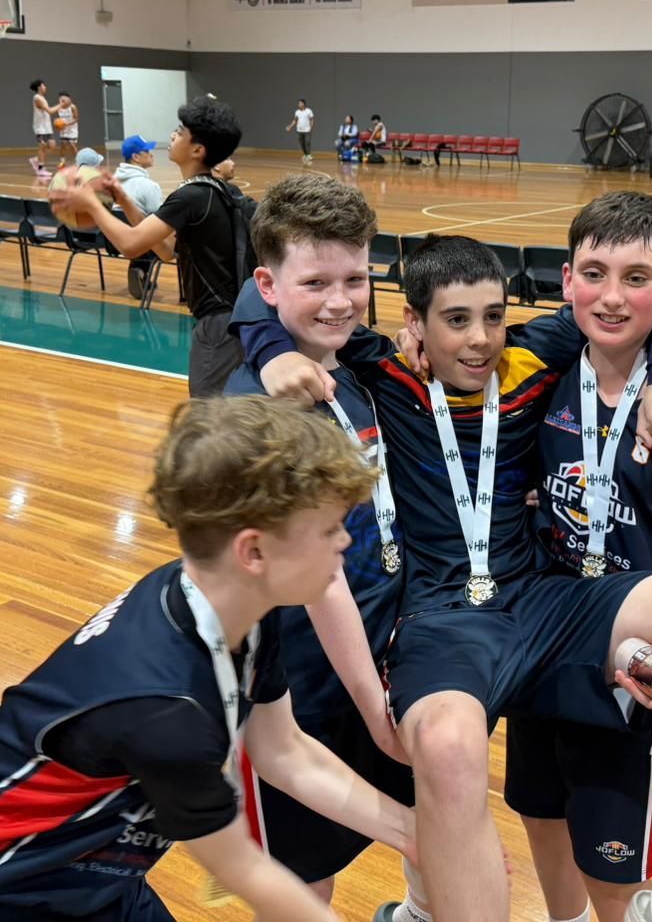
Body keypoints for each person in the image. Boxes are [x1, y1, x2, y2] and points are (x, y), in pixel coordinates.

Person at [235, 234, 652, 922]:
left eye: (493, 317)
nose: (480, 341)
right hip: (441, 619)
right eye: (455, 320)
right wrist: (270, 350)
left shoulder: (532, 353)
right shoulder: (382, 372)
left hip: (539, 599)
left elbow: (643, 303)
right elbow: (261, 303)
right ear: (413, 325)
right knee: (446, 748)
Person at [0, 395, 420, 922]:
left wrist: (411, 829)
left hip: (89, 886)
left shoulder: (241, 607)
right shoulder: (165, 708)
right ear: (253, 551)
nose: (345, 543)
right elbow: (244, 870)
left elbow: (285, 750)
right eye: (328, 530)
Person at [505, 191, 652, 922]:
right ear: (567, 279)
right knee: (540, 815)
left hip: (633, 655)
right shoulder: (540, 370)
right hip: (544, 632)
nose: (612, 297)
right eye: (594, 273)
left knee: (613, 866)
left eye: (636, 277)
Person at [224, 175, 414, 912]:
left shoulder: (363, 367)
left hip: (384, 651)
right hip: (301, 681)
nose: (339, 300)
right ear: (267, 286)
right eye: (316, 283)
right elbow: (322, 581)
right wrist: (371, 702)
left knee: (416, 819)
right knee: (305, 868)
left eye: (355, 279)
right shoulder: (257, 413)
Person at [52, 96, 254, 397]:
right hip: (233, 318)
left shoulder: (192, 196)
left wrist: (93, 206)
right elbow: (166, 250)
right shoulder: (215, 190)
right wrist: (122, 200)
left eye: (180, 132)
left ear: (197, 150)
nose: (172, 136)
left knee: (208, 416)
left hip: (220, 323)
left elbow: (131, 246)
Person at [114, 136, 164, 301]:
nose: (152, 154)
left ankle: (140, 272)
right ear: (136, 157)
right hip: (142, 243)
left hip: (113, 241)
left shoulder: (112, 181)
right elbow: (159, 221)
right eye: (147, 151)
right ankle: (140, 270)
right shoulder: (149, 186)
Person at [30, 79, 56, 174]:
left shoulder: (43, 98)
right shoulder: (37, 98)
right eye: (44, 86)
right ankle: (41, 169)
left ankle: (36, 159)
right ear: (40, 87)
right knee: (42, 146)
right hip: (40, 127)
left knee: (52, 146)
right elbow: (49, 111)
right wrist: (61, 105)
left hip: (47, 127)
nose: (45, 87)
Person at [55, 90, 81, 162]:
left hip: (72, 130)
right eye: (60, 100)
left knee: (73, 145)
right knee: (63, 145)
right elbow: (58, 119)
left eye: (63, 100)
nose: (61, 101)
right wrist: (58, 125)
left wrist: (67, 124)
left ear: (68, 99)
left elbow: (76, 119)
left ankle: (78, 162)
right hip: (64, 130)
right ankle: (62, 161)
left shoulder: (72, 107)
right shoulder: (59, 108)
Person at [288, 98, 316, 164]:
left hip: (307, 130)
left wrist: (311, 127)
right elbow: (295, 120)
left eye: (300, 103)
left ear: (303, 104)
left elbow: (312, 119)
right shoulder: (297, 112)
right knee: (302, 143)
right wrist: (290, 127)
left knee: (307, 142)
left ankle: (309, 155)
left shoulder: (309, 111)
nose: (299, 104)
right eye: (298, 103)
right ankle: (305, 154)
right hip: (299, 130)